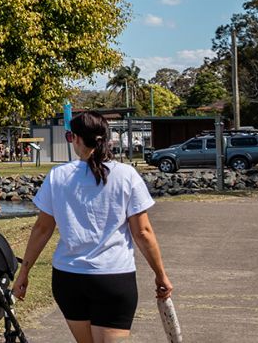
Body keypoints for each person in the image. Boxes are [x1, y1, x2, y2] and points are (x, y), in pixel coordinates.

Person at [12, 112, 172, 343]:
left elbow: (42, 229)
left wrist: (24, 272)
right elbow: (142, 232)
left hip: (69, 279)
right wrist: (161, 275)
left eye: (70, 136)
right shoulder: (126, 175)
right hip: (113, 278)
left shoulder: (58, 176)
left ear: (76, 139)